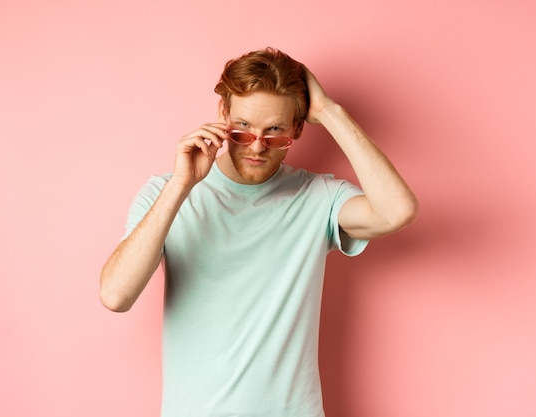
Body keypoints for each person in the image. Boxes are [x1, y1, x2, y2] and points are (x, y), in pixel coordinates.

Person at [100, 48, 418, 417]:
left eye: (275, 132)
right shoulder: (164, 193)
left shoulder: (318, 197)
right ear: (223, 114)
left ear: (297, 128)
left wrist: (330, 112)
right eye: (244, 127)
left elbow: (398, 211)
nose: (256, 145)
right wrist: (182, 186)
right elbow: (116, 295)